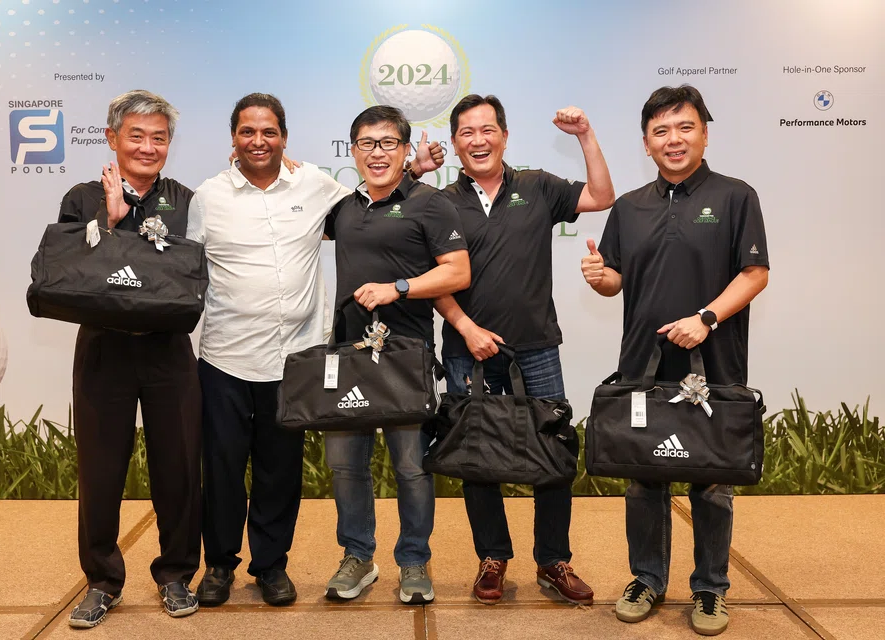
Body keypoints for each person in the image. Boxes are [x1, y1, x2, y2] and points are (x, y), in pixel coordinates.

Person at [186, 94, 444, 607]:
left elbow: (378, 195)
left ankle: (270, 566)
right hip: (225, 357)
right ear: (233, 138)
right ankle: (218, 565)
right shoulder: (207, 197)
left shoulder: (315, 185)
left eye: (269, 132)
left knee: (280, 471)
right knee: (221, 468)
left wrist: (413, 168)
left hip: (295, 359)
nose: (259, 141)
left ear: (285, 137)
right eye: (247, 132)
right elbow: (188, 268)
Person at [582, 85, 769, 636]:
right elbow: (615, 281)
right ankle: (646, 578)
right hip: (642, 365)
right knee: (644, 479)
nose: (673, 139)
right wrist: (599, 277)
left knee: (712, 482)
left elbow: (755, 273)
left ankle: (710, 588)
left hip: (715, 365)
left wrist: (706, 318)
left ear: (704, 134)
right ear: (646, 143)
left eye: (685, 127)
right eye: (660, 131)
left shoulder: (736, 196)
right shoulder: (629, 206)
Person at [434, 94, 615, 605]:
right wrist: (466, 328)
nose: (478, 140)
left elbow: (602, 196)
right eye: (467, 133)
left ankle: (553, 560)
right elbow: (433, 277)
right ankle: (492, 557)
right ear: (455, 144)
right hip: (467, 350)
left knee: (553, 452)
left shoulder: (537, 186)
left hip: (536, 348)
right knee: (476, 457)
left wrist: (585, 136)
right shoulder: (440, 201)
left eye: (487, 130)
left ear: (505, 136)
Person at [57, 89, 201, 628]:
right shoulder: (81, 198)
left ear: (169, 144)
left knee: (179, 468)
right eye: (135, 136)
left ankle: (175, 575)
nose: (147, 147)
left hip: (168, 351)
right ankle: (101, 581)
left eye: (158, 137)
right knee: (100, 472)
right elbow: (70, 275)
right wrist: (110, 221)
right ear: (112, 138)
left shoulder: (186, 200)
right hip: (104, 349)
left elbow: (193, 271)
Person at [322, 105, 470, 604]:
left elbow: (457, 272)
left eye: (388, 143)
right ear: (353, 151)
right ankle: (358, 557)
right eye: (367, 143)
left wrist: (398, 287)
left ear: (406, 150)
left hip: (407, 356)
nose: (377, 152)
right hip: (347, 355)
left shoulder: (430, 203)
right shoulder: (342, 208)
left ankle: (414, 561)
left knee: (411, 467)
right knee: (346, 465)